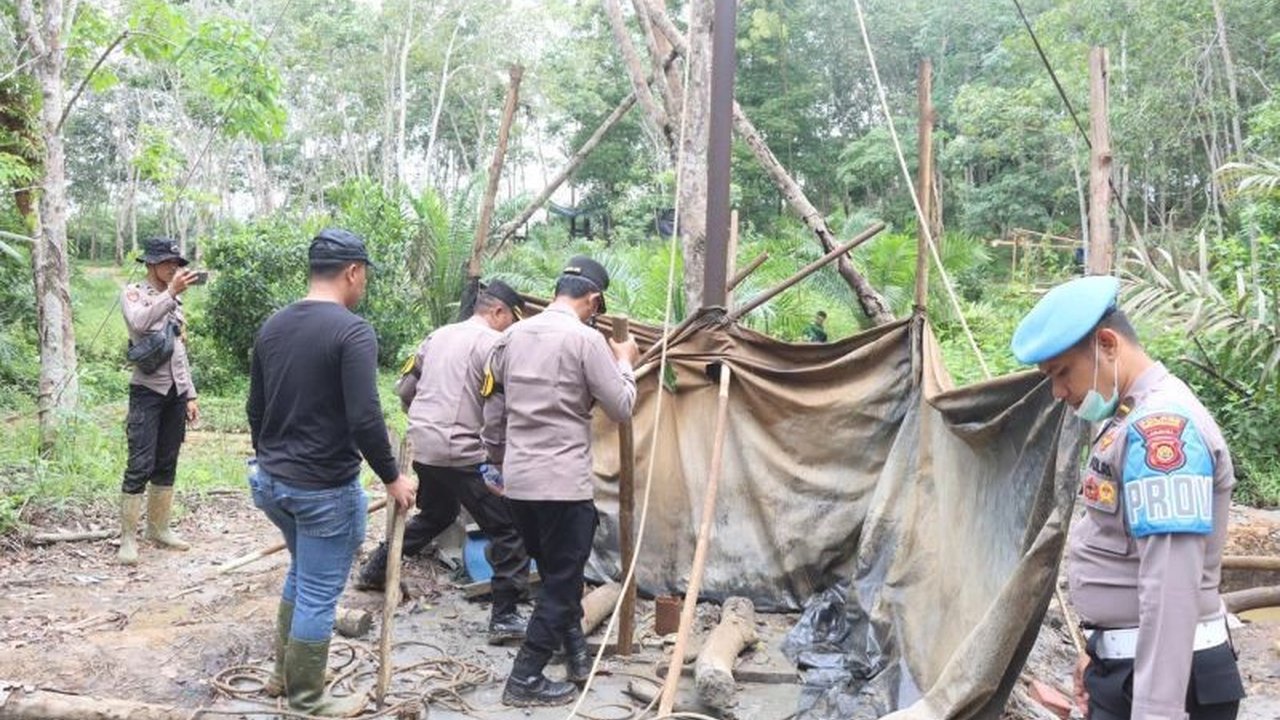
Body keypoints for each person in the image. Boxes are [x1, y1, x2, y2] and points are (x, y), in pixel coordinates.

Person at [1011, 275, 1246, 720]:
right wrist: (1098, 650)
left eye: (1062, 372)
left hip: (1169, 682)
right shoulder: (1128, 416)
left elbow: (1171, 583)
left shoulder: (1163, 429)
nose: (1059, 392)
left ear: (1107, 343)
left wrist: (1157, 712)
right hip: (1131, 669)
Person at [246, 228, 418, 717]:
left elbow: (255, 408)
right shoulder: (351, 330)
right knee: (320, 590)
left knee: (302, 573)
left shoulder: (273, 326)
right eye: (363, 277)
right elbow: (365, 418)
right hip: (323, 491)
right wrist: (392, 478)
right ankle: (308, 700)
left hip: (271, 483)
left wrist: (275, 460)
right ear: (352, 272)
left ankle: (281, 677)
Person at [484, 256, 638, 707]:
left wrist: (498, 464)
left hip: (519, 484)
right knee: (561, 582)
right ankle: (525, 677)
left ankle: (576, 655)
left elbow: (493, 415)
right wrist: (625, 362)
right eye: (597, 308)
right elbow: (623, 407)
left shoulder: (509, 337)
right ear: (593, 300)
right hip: (564, 486)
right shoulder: (586, 340)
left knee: (555, 574)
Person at [355, 279, 533, 647]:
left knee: (437, 514)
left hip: (422, 446)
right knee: (509, 530)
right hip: (463, 452)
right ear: (497, 312)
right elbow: (501, 408)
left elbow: (405, 390)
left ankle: (376, 568)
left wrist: (428, 422)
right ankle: (505, 617)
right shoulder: (496, 345)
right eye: (511, 319)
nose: (512, 327)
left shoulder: (436, 336)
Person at [118, 237, 200, 565]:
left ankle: (159, 529)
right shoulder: (134, 293)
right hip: (147, 390)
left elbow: (179, 352)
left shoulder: (174, 302)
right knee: (140, 463)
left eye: (176, 264)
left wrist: (190, 393)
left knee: (167, 461)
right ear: (151, 264)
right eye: (167, 263)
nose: (173, 268)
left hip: (175, 392)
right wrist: (171, 294)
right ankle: (127, 538)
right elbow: (139, 323)